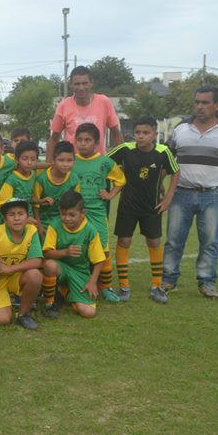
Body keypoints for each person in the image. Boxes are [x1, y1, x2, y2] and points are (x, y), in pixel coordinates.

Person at [161, 85, 218, 299]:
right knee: (173, 239)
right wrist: (159, 186)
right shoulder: (181, 129)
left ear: (216, 105)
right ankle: (168, 279)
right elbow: (165, 160)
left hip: (213, 195)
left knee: (210, 241)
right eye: (197, 102)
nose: (199, 106)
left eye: (205, 102)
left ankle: (207, 282)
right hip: (181, 193)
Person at [107, 116, 180, 303]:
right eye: (138, 133)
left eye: (146, 133)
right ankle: (124, 287)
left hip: (152, 206)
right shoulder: (125, 149)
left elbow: (175, 172)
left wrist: (169, 198)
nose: (141, 136)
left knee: (154, 242)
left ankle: (157, 286)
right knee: (124, 241)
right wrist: (114, 185)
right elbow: (103, 163)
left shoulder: (163, 151)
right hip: (127, 206)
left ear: (155, 134)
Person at [72, 122, 126, 301]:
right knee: (79, 249)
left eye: (87, 140)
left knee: (103, 250)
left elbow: (121, 180)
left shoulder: (104, 162)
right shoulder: (71, 160)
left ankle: (107, 287)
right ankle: (79, 282)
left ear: (96, 142)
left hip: (96, 213)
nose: (83, 143)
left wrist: (110, 194)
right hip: (75, 215)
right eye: (79, 140)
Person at [0, 198, 44, 330]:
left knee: (35, 275)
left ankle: (23, 314)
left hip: (15, 276)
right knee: (2, 320)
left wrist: (9, 269)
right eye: (11, 215)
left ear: (27, 216)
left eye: (21, 213)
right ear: (4, 218)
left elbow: (37, 260)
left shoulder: (31, 231)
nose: (17, 218)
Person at [40, 191, 107, 319]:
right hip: (60, 267)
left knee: (88, 312)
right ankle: (50, 303)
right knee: (49, 265)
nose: (67, 218)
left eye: (72, 215)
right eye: (63, 214)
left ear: (83, 214)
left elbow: (99, 260)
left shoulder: (90, 230)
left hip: (80, 271)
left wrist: (92, 282)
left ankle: (65, 291)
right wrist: (65, 252)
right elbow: (47, 253)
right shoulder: (54, 226)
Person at [47, 66, 123, 158]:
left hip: (98, 163)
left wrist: (117, 160)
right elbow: (54, 139)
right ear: (71, 85)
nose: (81, 88)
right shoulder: (64, 105)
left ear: (91, 83)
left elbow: (116, 134)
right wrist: (49, 166)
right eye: (77, 84)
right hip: (73, 164)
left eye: (85, 83)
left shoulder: (104, 102)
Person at [33, 141, 81, 235]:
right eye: (61, 160)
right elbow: (35, 205)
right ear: (54, 160)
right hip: (44, 223)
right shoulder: (42, 179)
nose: (65, 164)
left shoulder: (74, 179)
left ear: (74, 161)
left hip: (65, 223)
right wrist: (39, 226)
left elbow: (76, 204)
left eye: (69, 160)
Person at [0, 140, 40, 218]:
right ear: (17, 159)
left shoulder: (34, 176)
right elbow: (1, 202)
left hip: (29, 218)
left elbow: (30, 199)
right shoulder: (12, 179)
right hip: (16, 220)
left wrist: (41, 201)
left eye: (33, 159)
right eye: (25, 158)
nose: (29, 162)